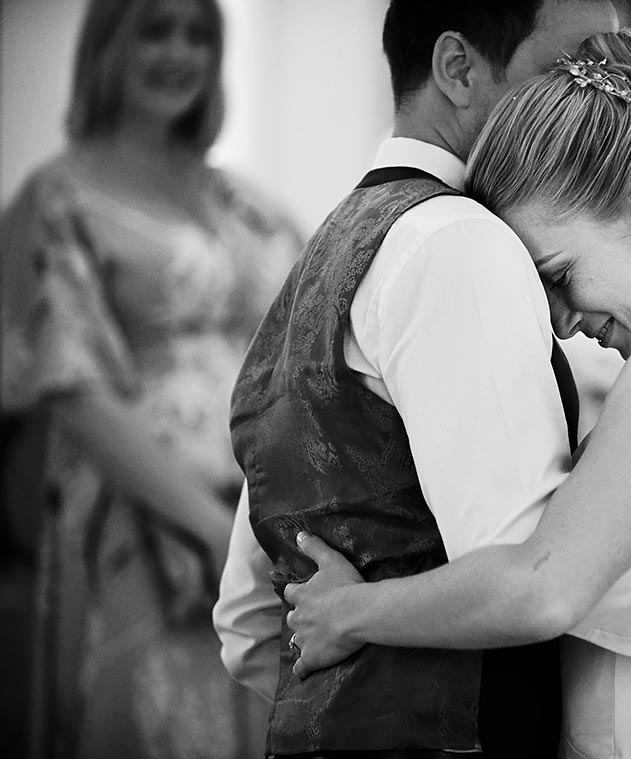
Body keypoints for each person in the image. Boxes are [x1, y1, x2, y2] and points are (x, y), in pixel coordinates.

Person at [217, 4, 631, 758]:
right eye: (568, 66)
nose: (565, 319)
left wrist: (348, 613)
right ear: (457, 66)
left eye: (563, 277)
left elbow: (541, 580)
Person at [0, 0, 301, 757]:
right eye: (156, 29)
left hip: (263, 523)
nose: (180, 52)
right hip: (138, 523)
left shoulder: (245, 201)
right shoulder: (59, 196)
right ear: (108, 43)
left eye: (198, 34)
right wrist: (205, 526)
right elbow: (71, 386)